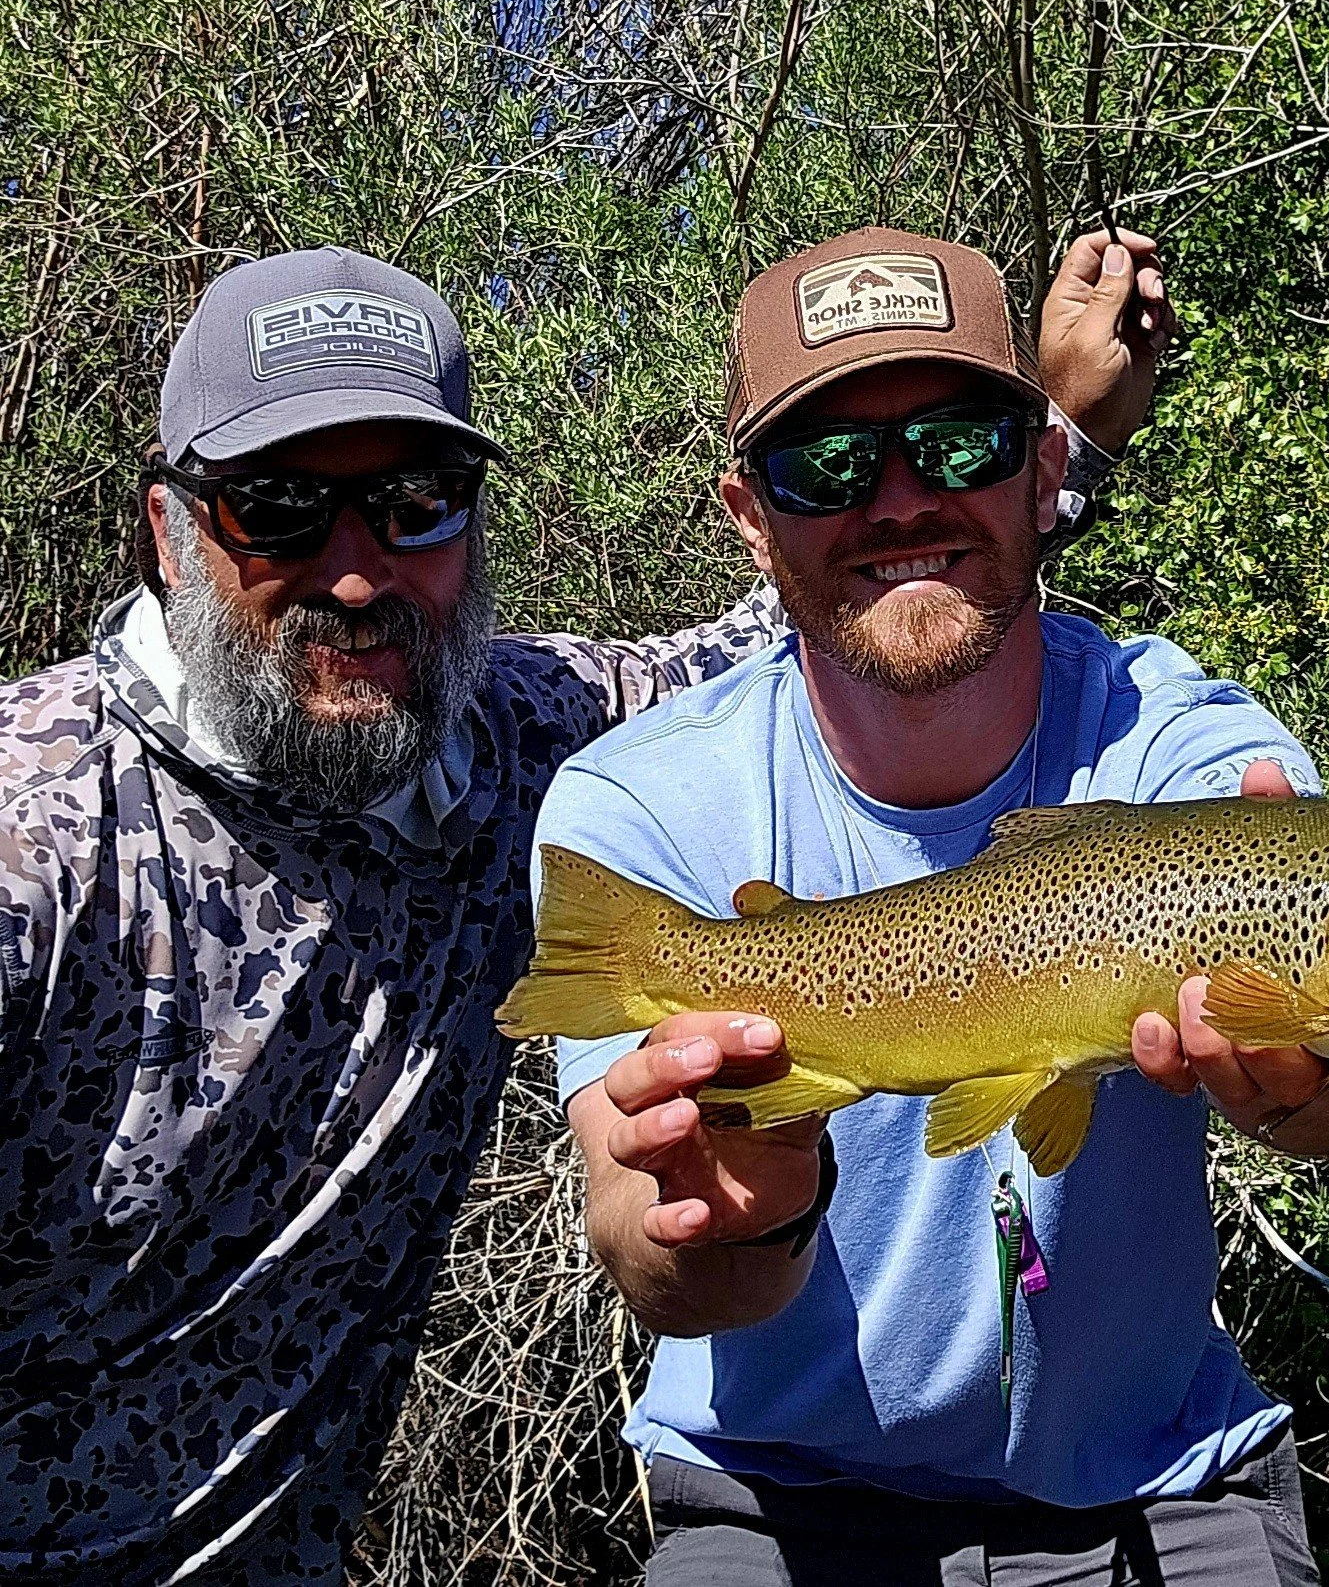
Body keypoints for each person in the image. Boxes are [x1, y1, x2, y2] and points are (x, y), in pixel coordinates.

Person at [0, 231, 1162, 1586]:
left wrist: (1056, 438)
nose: (360, 571)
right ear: (168, 530)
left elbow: (832, 608)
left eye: (417, 499)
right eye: (276, 505)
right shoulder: (38, 841)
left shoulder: (517, 737)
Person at [540, 226, 1329, 1585]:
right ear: (747, 515)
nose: (898, 501)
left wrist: (1312, 1086)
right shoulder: (639, 812)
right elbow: (660, 1271)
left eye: (957, 446)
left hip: (1156, 1490)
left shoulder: (1180, 747)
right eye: (824, 467)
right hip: (779, 1496)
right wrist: (740, 1210)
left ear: (1045, 464)